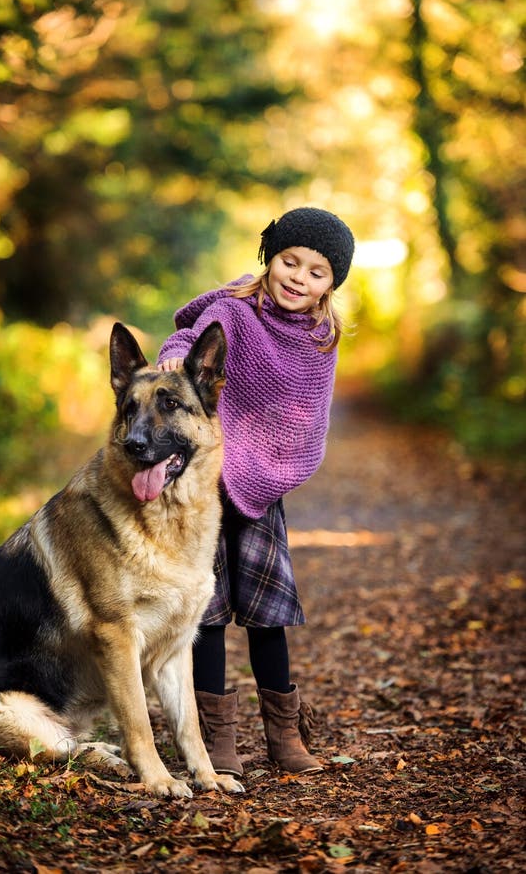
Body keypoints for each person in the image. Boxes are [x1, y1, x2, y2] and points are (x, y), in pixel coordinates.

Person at [157, 206, 354, 777]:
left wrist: (268, 470)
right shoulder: (233, 312)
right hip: (202, 486)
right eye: (290, 262)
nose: (299, 277)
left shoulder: (321, 338)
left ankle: (285, 738)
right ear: (270, 260)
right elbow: (192, 334)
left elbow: (305, 420)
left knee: (268, 615)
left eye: (317, 271)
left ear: (332, 281)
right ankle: (215, 740)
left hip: (261, 488)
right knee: (208, 615)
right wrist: (175, 353)